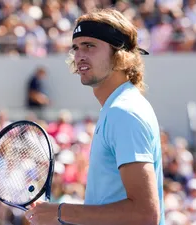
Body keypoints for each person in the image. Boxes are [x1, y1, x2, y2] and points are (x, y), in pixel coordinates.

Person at [25, 8, 165, 225]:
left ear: (120, 54)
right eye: (76, 47)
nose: (79, 55)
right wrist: (59, 215)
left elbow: (144, 214)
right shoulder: (117, 108)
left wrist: (61, 212)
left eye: (90, 46)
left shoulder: (124, 112)